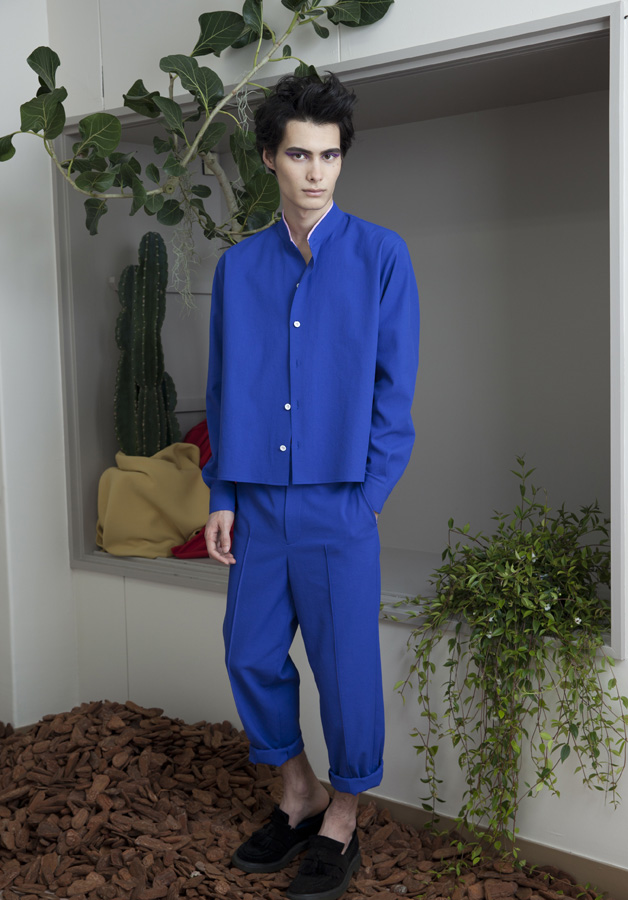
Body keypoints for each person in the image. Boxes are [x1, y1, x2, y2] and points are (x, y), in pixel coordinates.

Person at [202, 72, 420, 900]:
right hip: (257, 500)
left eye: (329, 155)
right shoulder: (238, 269)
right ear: (270, 158)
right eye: (300, 155)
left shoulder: (381, 256)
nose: (316, 172)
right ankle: (298, 793)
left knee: (345, 670)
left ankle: (343, 819)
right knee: (249, 653)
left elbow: (394, 393)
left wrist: (367, 496)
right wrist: (223, 493)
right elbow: (223, 387)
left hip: (339, 502)